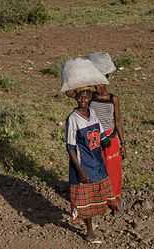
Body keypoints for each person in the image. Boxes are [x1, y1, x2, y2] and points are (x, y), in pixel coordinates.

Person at [65, 86, 114, 243]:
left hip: (96, 162)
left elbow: (100, 132)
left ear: (90, 98)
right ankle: (89, 231)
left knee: (94, 195)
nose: (83, 100)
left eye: (86, 97)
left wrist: (107, 141)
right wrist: (80, 170)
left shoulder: (92, 113)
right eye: (80, 97)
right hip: (83, 165)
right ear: (75, 98)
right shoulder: (73, 118)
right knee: (85, 200)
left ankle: (86, 220)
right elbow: (70, 147)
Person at [87, 52, 126, 214]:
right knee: (96, 169)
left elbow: (117, 121)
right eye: (95, 82)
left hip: (110, 138)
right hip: (94, 138)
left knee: (113, 170)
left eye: (100, 81)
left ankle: (114, 199)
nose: (98, 86)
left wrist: (122, 143)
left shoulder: (113, 99)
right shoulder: (88, 97)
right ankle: (100, 199)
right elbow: (70, 94)